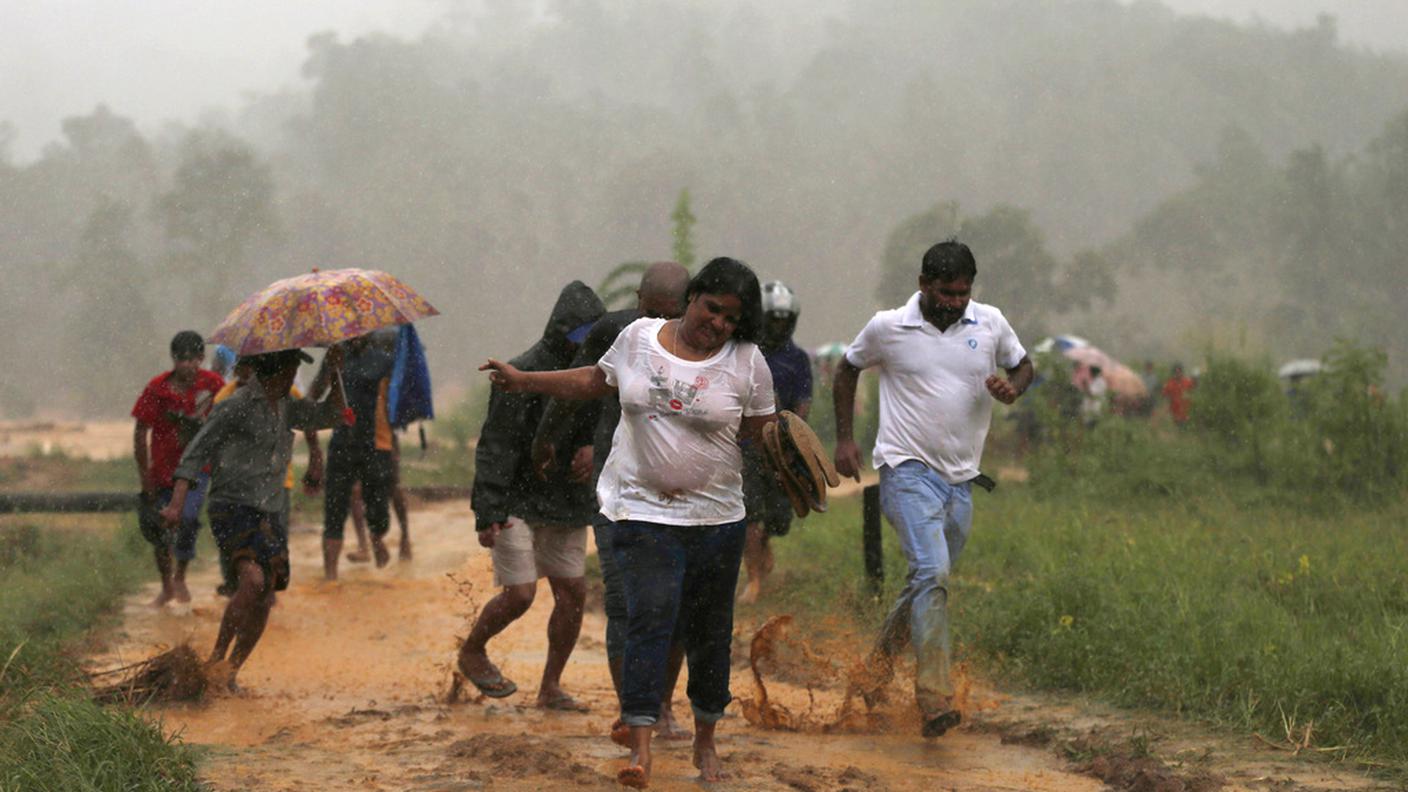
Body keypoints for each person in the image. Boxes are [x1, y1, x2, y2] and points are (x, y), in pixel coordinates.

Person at [480, 257, 777, 787]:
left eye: (733, 318)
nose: (720, 324)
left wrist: (787, 458)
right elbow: (594, 380)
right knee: (649, 618)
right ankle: (641, 745)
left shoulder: (748, 361)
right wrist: (525, 380)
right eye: (713, 309)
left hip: (716, 520)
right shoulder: (638, 338)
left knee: (709, 634)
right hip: (641, 512)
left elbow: (761, 434)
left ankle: (706, 742)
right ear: (692, 298)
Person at [833, 240, 1033, 739]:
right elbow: (847, 368)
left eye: (963, 293)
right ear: (923, 284)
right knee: (932, 571)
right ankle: (934, 697)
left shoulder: (990, 323)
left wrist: (1015, 386)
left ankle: (873, 674)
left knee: (926, 583)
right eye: (945, 292)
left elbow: (1023, 364)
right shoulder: (888, 327)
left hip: (962, 479)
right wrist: (843, 439)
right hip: (905, 470)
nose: (954, 302)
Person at [530, 262, 692, 743]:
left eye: (667, 317)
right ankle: (634, 711)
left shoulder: (704, 343)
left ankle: (662, 704)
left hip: (677, 488)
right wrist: (548, 440)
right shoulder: (614, 330)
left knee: (678, 602)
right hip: (614, 480)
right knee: (624, 599)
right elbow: (577, 387)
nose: (654, 325)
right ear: (636, 299)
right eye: (648, 311)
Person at [457, 281, 606, 712]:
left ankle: (550, 686)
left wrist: (594, 449)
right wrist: (487, 510)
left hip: (566, 500)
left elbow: (609, 421)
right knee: (521, 594)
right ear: (557, 332)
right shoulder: (520, 373)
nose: (580, 349)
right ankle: (473, 650)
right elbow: (496, 445)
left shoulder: (594, 377)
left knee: (573, 593)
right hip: (517, 499)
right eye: (574, 340)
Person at [160, 348, 346, 690]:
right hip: (232, 504)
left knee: (266, 590)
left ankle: (230, 672)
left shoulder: (288, 405)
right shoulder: (235, 405)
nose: (293, 375)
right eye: (290, 367)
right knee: (252, 582)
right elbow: (196, 450)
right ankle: (215, 660)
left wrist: (335, 373)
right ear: (273, 371)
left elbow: (329, 416)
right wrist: (176, 505)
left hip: (270, 508)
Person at [211, 357, 325, 596]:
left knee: (274, 537)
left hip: (276, 481)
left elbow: (309, 421)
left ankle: (266, 590)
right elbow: (213, 440)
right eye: (240, 368)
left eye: (249, 368)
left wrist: (315, 458)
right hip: (237, 485)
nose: (244, 373)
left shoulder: (285, 392)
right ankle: (235, 587)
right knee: (233, 542)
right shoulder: (225, 399)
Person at [132, 330, 225, 606]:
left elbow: (229, 419)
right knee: (160, 526)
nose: (187, 365)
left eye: (192, 359)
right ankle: (166, 585)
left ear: (201, 358)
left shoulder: (214, 386)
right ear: (174, 359)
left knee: (187, 518)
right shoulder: (157, 389)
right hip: (162, 470)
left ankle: (181, 576)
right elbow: (140, 431)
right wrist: (144, 476)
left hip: (199, 469)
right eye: (181, 359)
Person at [738, 280, 813, 604]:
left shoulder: (797, 359)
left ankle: (763, 543)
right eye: (773, 320)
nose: (778, 326)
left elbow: (802, 406)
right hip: (746, 450)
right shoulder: (744, 353)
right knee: (750, 515)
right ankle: (753, 581)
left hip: (782, 451)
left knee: (779, 519)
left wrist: (790, 442)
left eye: (784, 320)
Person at [312, 332, 396, 579]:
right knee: (334, 509)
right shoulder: (334, 358)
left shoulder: (384, 361)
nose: (356, 336)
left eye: (362, 331)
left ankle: (377, 539)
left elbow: (397, 399)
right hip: (342, 444)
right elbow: (314, 395)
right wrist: (331, 370)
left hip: (374, 444)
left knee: (378, 506)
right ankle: (330, 577)